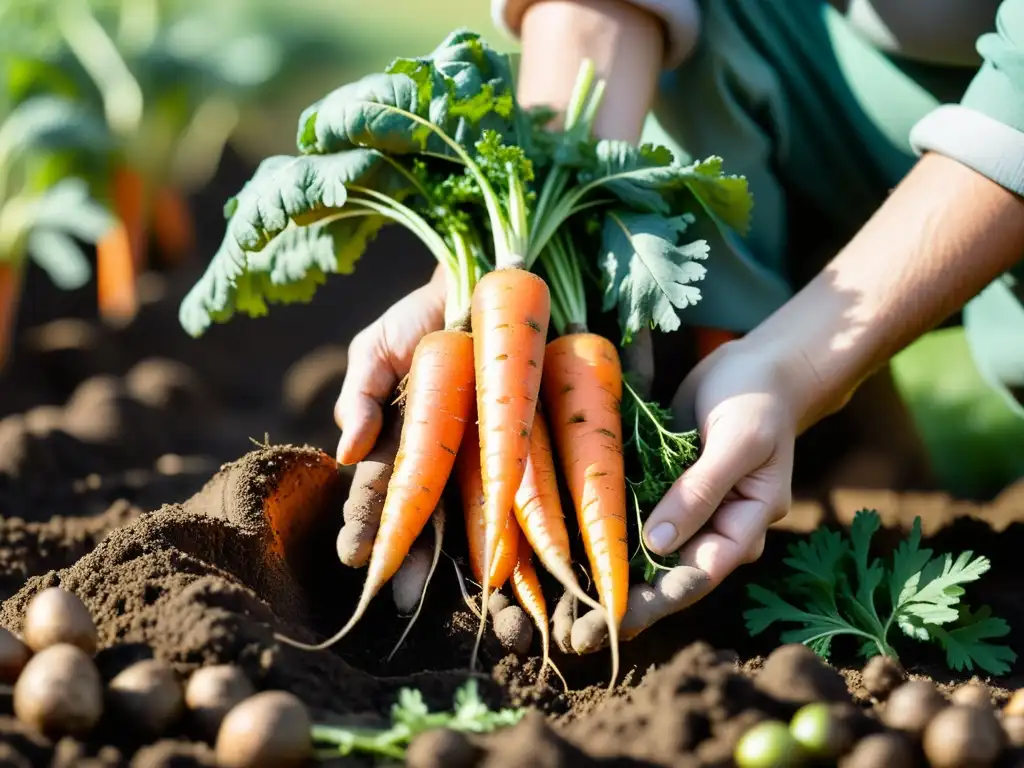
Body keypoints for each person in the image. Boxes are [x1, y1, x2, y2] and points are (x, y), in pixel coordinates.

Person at [333, 0, 1024, 651]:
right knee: (695, 45)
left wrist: (796, 368)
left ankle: (816, 404)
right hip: (863, 75)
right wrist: (493, 265)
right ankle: (803, 419)